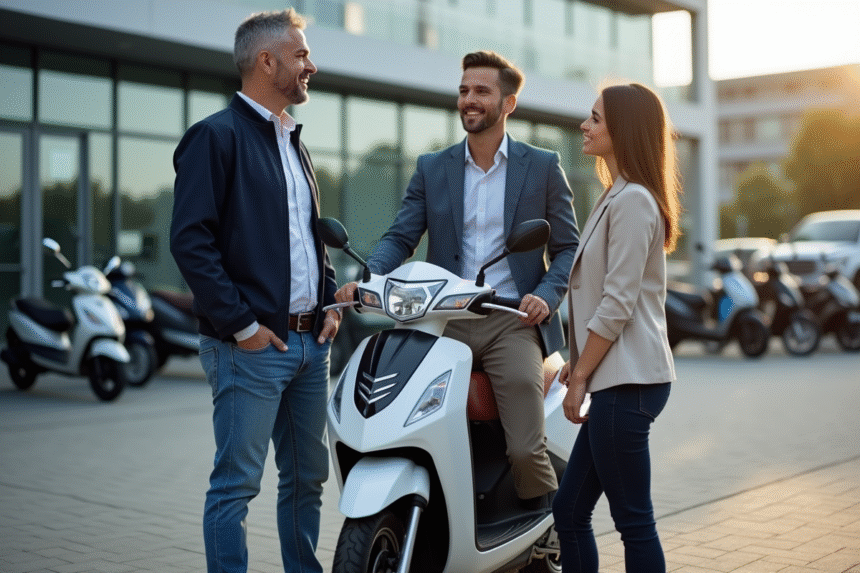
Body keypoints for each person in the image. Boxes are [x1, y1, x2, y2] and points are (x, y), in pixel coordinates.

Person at [335, 50, 579, 509]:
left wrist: (546, 295)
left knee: (526, 449)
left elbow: (568, 248)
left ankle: (549, 523)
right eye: (464, 90)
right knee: (404, 424)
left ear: (508, 103)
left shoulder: (542, 166)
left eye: (482, 91)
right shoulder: (433, 167)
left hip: (511, 319)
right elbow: (401, 236)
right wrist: (370, 277)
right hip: (440, 317)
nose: (469, 99)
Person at [170, 9, 340, 573]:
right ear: (267, 61)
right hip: (251, 348)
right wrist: (242, 327)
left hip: (310, 347)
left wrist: (329, 302)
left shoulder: (294, 141)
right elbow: (190, 242)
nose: (311, 65)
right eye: (301, 54)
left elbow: (308, 237)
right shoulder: (214, 137)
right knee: (236, 485)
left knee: (307, 479)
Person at [551, 82, 681, 572]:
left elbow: (617, 302)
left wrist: (580, 375)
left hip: (627, 381)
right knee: (569, 510)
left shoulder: (632, 201)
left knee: (633, 520)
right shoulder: (618, 195)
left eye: (595, 118)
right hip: (620, 378)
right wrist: (580, 364)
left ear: (623, 129)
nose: (584, 126)